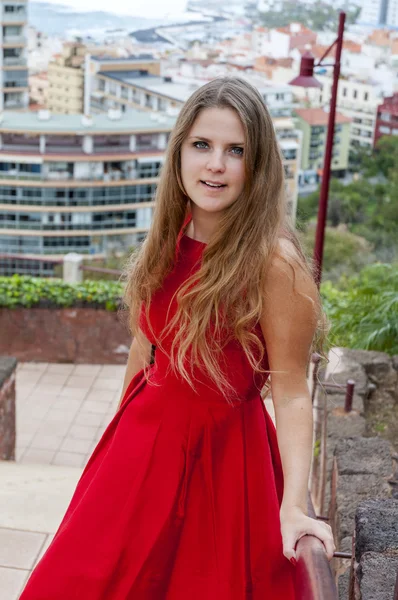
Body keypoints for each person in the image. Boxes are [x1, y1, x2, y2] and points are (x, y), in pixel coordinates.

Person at [20, 76, 335, 599]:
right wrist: (116, 445)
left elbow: (292, 389)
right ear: (179, 153)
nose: (216, 164)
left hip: (224, 457)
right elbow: (146, 348)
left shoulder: (274, 263)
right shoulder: (167, 236)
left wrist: (294, 505)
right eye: (202, 145)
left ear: (257, 168)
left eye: (236, 150)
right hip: (141, 445)